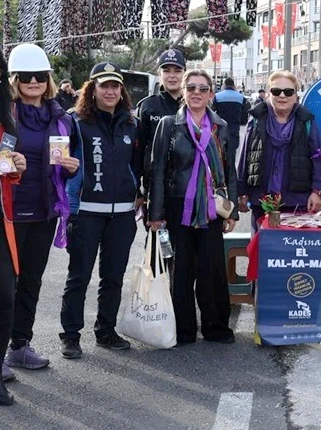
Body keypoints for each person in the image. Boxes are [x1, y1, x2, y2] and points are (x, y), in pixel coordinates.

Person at [4, 43, 80, 375]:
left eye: (39, 76)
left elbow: (68, 166)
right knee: (6, 287)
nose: (33, 82)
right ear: (14, 80)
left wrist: (72, 168)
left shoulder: (61, 117)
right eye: (25, 76)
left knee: (31, 281)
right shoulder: (6, 115)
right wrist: (9, 162)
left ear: (47, 79)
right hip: (9, 213)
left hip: (45, 211)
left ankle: (19, 345)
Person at [148, 70, 239, 346]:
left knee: (212, 269)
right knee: (182, 269)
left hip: (211, 208)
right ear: (184, 93)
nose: (196, 93)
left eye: (202, 88)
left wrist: (232, 210)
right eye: (191, 88)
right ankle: (184, 329)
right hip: (177, 207)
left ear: (211, 94)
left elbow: (229, 171)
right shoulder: (168, 125)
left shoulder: (220, 127)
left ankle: (215, 327)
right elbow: (158, 170)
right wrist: (156, 213)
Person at [59, 62, 143, 359]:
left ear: (121, 91)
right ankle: (70, 335)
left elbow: (139, 165)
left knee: (113, 276)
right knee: (79, 276)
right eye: (103, 85)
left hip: (122, 214)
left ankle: (105, 330)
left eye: (115, 86)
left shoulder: (132, 124)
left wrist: (140, 194)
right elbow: (58, 163)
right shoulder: (74, 122)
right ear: (91, 89)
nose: (110, 91)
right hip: (85, 212)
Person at [237, 70, 321, 230]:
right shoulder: (256, 120)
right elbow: (245, 156)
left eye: (288, 91)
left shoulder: (307, 121)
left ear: (295, 95)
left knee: (293, 249)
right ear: (268, 94)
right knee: (262, 248)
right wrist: (241, 191)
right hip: (262, 200)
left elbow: (318, 157)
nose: (282, 96)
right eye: (276, 91)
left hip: (297, 200)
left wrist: (316, 191)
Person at [0, 46, 30, 407]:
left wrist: (16, 168)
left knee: (5, 298)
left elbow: (8, 175)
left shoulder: (6, 119)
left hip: (2, 224)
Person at [137, 49, 185, 199]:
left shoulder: (195, 105)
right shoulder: (147, 106)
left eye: (177, 71)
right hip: (155, 185)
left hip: (188, 186)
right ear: (160, 74)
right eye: (166, 71)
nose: (172, 76)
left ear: (185, 73)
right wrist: (138, 190)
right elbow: (138, 150)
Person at [214, 77, 249, 157]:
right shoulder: (241, 97)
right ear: (234, 85)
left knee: (220, 153)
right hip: (234, 129)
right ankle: (231, 168)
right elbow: (244, 114)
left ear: (224, 85)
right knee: (232, 154)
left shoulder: (217, 96)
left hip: (220, 129)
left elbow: (212, 112)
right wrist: (242, 122)